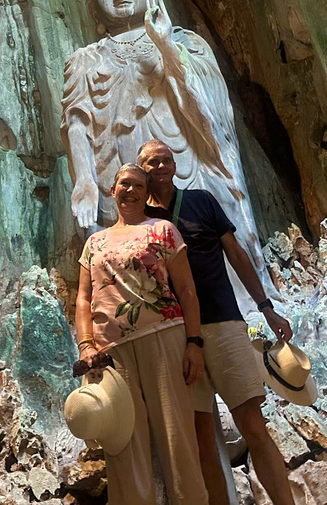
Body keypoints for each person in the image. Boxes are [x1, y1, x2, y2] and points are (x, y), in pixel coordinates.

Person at [61, 0, 279, 313]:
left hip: (185, 160)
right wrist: (84, 179)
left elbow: (209, 113)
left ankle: (244, 305)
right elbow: (77, 121)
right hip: (124, 167)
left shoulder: (185, 42)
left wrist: (165, 45)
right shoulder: (87, 58)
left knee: (206, 231)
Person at [140, 140, 299, 505]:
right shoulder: (141, 221)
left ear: (175, 165)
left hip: (224, 322)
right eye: (152, 161)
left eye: (166, 159)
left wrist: (266, 307)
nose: (161, 165)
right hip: (176, 336)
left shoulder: (202, 201)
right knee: (201, 436)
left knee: (252, 424)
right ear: (142, 168)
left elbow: (237, 254)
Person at [75, 163, 211, 505]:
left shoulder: (162, 230)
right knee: (124, 444)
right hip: (112, 352)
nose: (130, 190)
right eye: (124, 184)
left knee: (177, 436)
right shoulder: (94, 242)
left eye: (138, 185)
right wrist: (86, 344)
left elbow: (186, 289)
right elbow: (84, 297)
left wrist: (194, 343)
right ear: (112, 190)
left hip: (164, 337)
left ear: (146, 193)